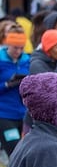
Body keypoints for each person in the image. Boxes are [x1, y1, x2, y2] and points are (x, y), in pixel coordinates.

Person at [0, 24, 29, 157]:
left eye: (21, 48)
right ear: (8, 44)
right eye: (15, 48)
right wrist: (6, 84)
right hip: (4, 114)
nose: (18, 51)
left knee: (23, 156)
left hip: (23, 114)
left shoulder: (26, 60)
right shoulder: (1, 60)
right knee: (16, 154)